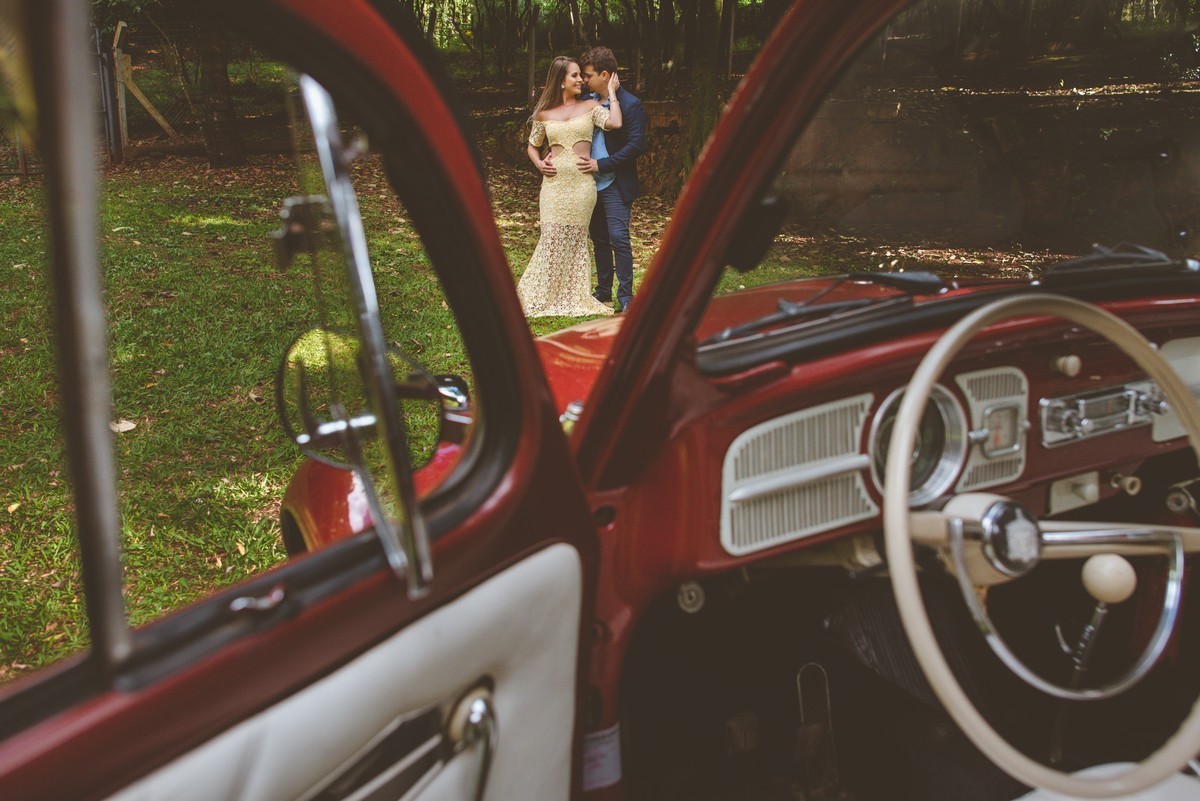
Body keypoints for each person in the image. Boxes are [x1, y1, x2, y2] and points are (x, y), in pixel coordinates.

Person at [517, 56, 623, 318]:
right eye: (574, 75)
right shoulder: (544, 114)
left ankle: (572, 293)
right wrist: (539, 164)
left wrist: (612, 94)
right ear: (561, 81)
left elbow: (615, 123)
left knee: (575, 239)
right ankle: (546, 294)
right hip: (552, 186)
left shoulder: (591, 106)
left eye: (581, 75)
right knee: (551, 238)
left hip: (581, 186)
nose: (581, 80)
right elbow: (532, 146)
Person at [578, 47, 647, 314]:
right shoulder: (586, 101)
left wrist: (602, 164)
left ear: (604, 75)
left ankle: (626, 296)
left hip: (615, 182)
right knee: (599, 238)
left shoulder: (631, 104)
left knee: (618, 237)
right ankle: (603, 291)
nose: (584, 80)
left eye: (588, 75)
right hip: (589, 183)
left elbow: (636, 146)